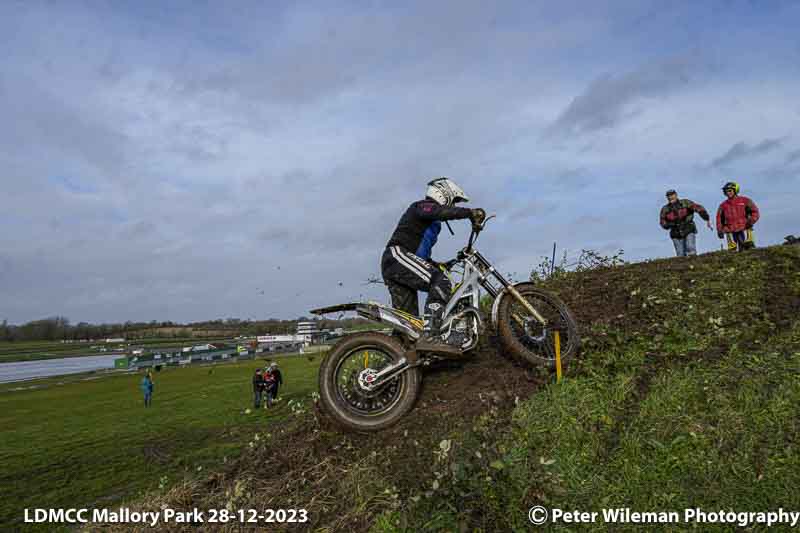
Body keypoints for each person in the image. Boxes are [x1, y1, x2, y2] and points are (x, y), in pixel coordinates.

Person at [381, 177, 485, 349]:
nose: (452, 206)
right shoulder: (421, 206)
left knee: (409, 328)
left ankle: (397, 362)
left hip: (398, 262)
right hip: (397, 255)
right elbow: (437, 211)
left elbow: (420, 257)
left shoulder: (432, 224)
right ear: (443, 193)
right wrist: (469, 213)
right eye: (453, 201)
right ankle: (431, 335)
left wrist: (443, 264)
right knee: (441, 281)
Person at [659, 189, 712, 256]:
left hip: (688, 228)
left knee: (690, 248)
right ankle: (684, 266)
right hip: (675, 233)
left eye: (672, 195)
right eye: (668, 196)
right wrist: (668, 224)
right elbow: (662, 221)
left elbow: (697, 207)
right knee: (680, 254)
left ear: (676, 195)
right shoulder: (665, 209)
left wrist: (704, 215)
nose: (670, 197)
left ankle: (694, 264)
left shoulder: (685, 202)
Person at [716, 182, 759, 251]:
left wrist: (751, 221)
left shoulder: (745, 200)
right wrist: (719, 230)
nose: (728, 193)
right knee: (732, 251)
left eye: (730, 191)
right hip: (730, 231)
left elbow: (755, 211)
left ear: (735, 190)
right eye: (726, 191)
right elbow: (719, 219)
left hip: (745, 227)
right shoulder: (723, 205)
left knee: (749, 248)